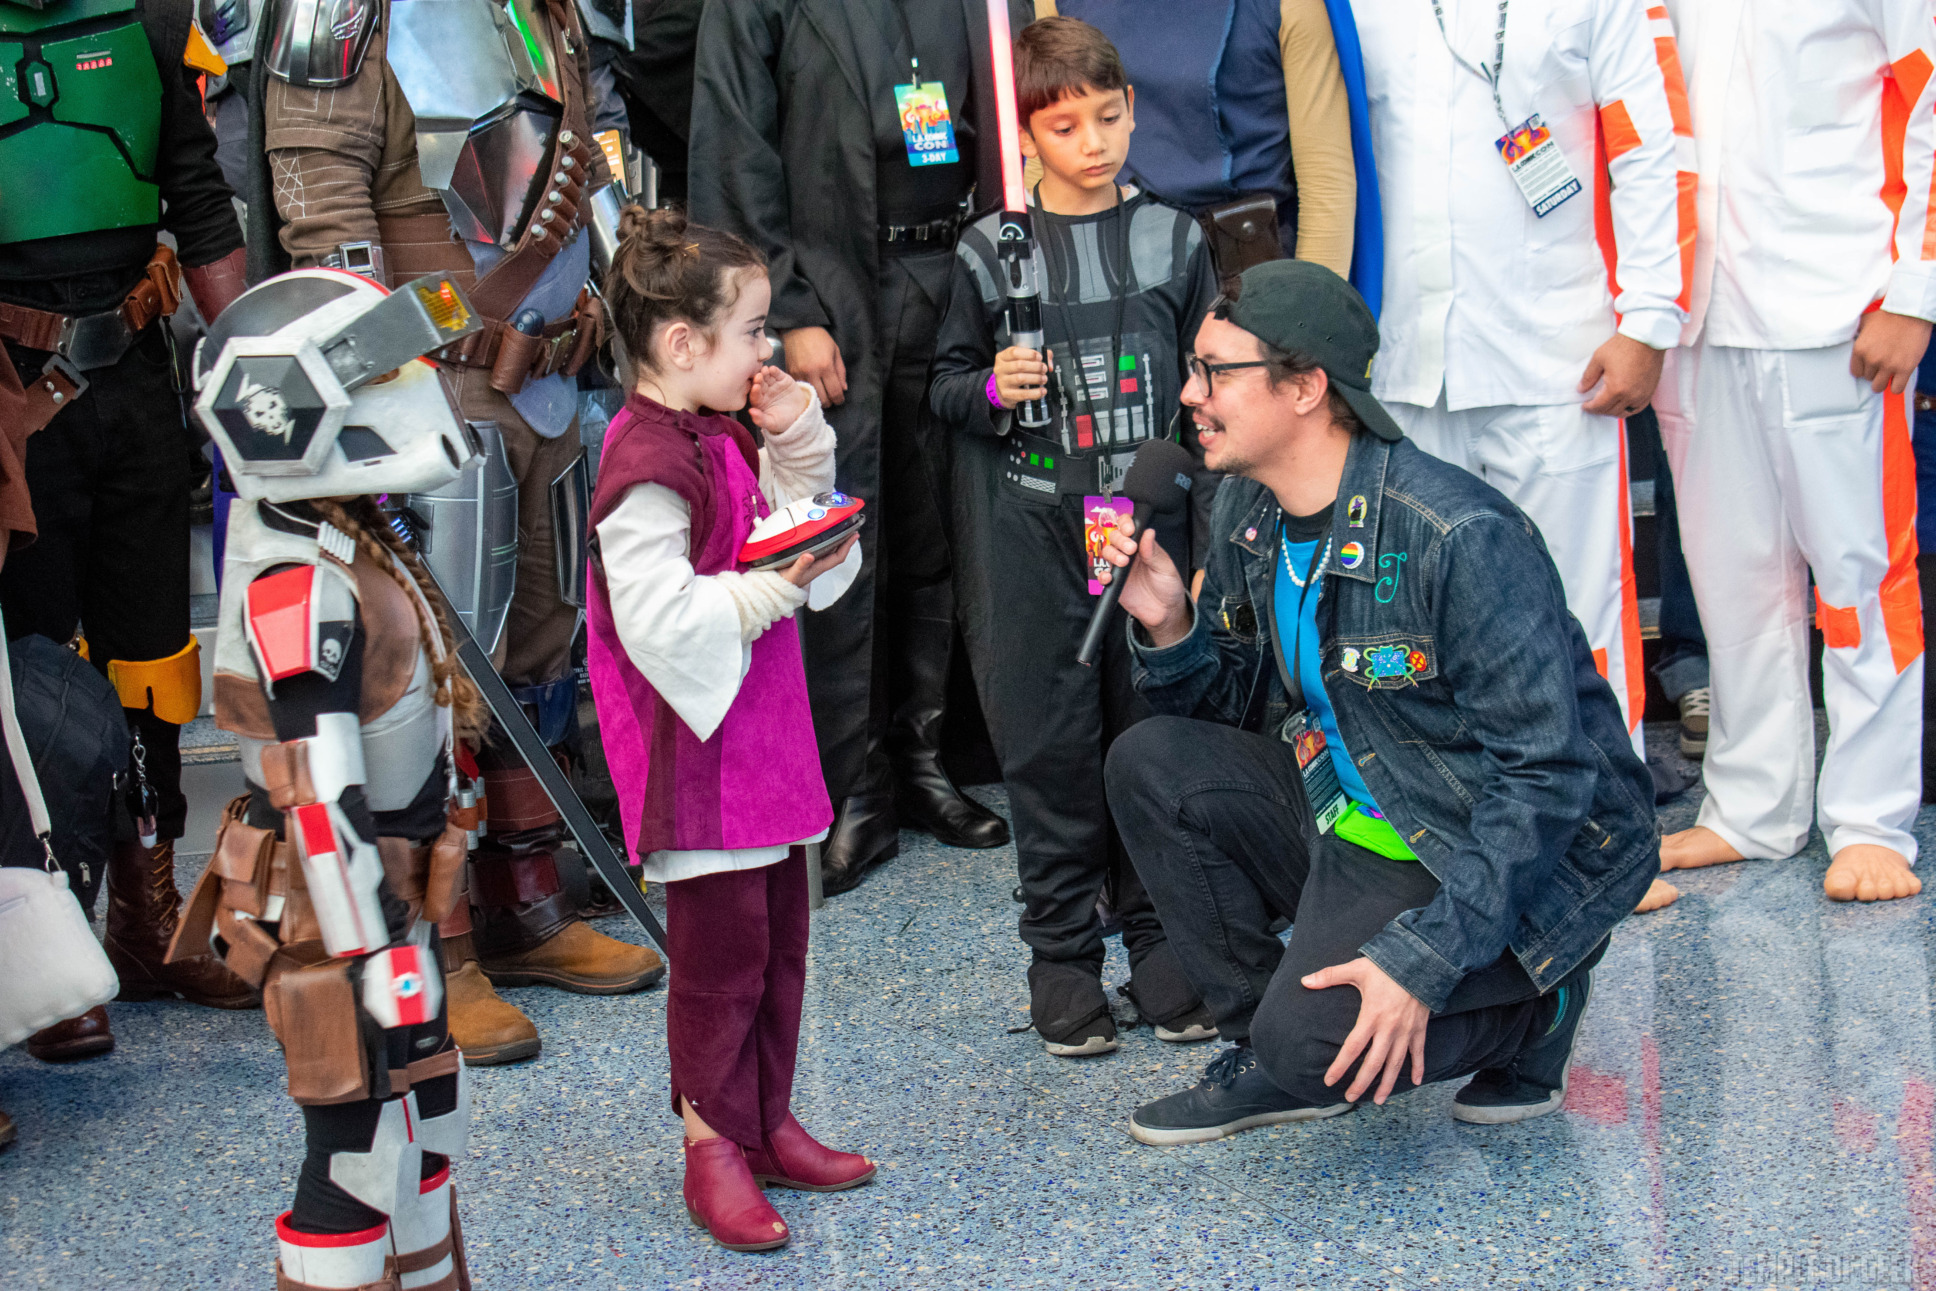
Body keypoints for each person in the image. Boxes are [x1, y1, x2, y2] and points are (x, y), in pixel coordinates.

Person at [1098, 260, 1657, 1142]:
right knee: (1151, 761)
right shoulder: (1250, 508)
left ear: (1306, 388)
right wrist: (1170, 624)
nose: (1190, 395)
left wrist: (1424, 958)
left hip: (1479, 841)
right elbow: (1244, 710)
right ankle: (1265, 1046)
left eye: (1215, 371)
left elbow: (1547, 778)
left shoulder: (1456, 533)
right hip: (1353, 814)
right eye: (1193, 368)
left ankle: (1538, 1006)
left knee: (1315, 1043)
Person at [256, 0, 666, 1063]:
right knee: (429, 681)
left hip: (551, 378)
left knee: (537, 646)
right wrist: (373, 396)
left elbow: (589, 165)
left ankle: (528, 904)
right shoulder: (341, 16)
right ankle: (435, 945)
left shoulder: (539, 6)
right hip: (430, 388)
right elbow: (322, 213)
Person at [171, 269, 488, 1289]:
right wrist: (368, 952)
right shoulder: (296, 582)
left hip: (393, 899)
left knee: (427, 1116)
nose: (410, 387)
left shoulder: (345, 539)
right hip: (334, 918)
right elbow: (317, 795)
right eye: (378, 374)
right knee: (357, 1146)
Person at [689, 0, 1030, 894]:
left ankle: (923, 760)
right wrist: (787, 312)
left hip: (953, 272)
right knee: (838, 543)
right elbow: (734, 153)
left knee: (935, 536)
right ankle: (851, 784)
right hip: (836, 290)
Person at [584, 208, 874, 1253]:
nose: (766, 349)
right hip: (695, 755)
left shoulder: (715, 431)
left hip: (759, 734)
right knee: (720, 959)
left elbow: (784, 528)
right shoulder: (643, 463)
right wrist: (771, 590)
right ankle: (711, 1142)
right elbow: (657, 619)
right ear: (681, 343)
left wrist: (794, 436)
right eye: (751, 331)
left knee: (780, 937)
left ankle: (764, 1122)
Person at [928, 17, 1217, 1057]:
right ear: (1026, 137)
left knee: (1150, 734)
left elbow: (1212, 397)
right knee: (1049, 746)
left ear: (1133, 110)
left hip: (1142, 530)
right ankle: (1060, 956)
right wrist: (990, 389)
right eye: (1064, 126)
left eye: (1107, 116)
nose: (1092, 142)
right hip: (1034, 529)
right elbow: (943, 387)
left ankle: (1161, 941)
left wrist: (1207, 540)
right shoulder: (989, 249)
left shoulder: (1177, 240)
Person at [0, 0, 256, 1041]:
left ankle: (148, 920)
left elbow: (197, 197)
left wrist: (258, 367)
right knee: (34, 666)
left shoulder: (151, 16)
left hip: (136, 378)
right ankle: (45, 943)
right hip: (12, 403)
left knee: (152, 650)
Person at [1352, 0, 1695, 767]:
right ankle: (1463, 820)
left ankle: (1606, 821)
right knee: (1423, 626)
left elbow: (1645, 148)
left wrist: (1647, 320)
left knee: (1578, 611)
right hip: (1405, 363)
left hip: (1558, 359)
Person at [1649, 0, 1936, 908]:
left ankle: (1871, 820)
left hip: (1838, 309)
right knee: (1732, 584)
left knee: (1861, 579)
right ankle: (1751, 807)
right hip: (1696, 315)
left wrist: (1916, 291)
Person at [1035, 0, 1359, 282]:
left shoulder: (1292, 6)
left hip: (1247, 278)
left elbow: (1326, 178)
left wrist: (1311, 319)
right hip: (1112, 268)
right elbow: (1045, 142)